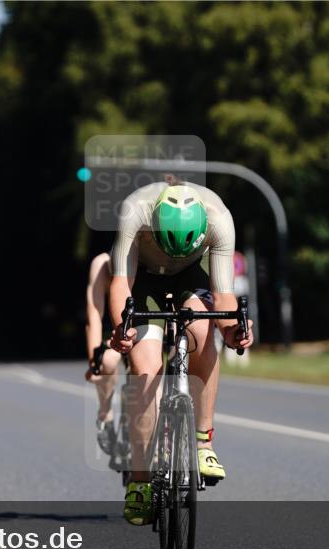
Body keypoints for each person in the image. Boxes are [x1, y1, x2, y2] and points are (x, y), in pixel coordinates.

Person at [109, 182, 253, 525]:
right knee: (145, 367)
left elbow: (223, 296)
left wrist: (232, 330)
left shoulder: (219, 218)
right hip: (144, 276)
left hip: (193, 271)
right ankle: (141, 481)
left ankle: (203, 442)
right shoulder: (135, 211)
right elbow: (121, 284)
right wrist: (122, 330)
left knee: (203, 330)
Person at [83, 252, 123, 453]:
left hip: (143, 326)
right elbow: (94, 316)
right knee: (107, 361)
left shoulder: (148, 258)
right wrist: (95, 363)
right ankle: (105, 413)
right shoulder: (101, 264)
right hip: (114, 330)